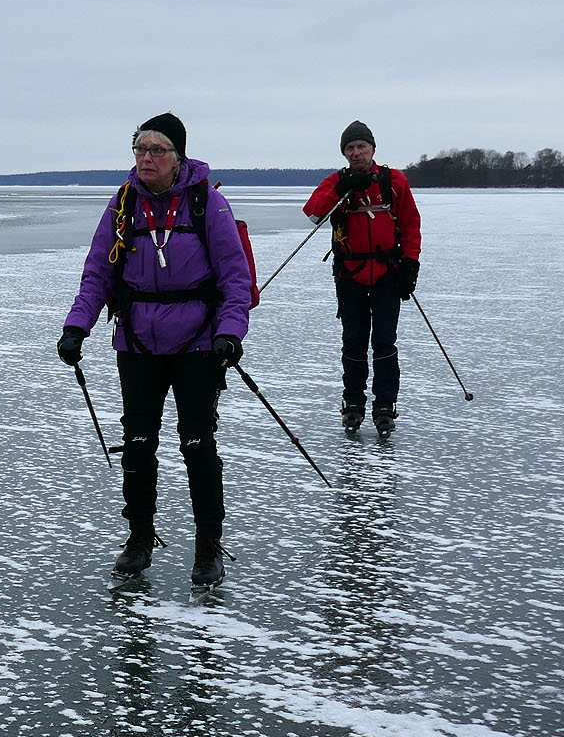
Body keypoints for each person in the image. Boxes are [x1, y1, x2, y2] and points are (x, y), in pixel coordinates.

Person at [57, 113, 252, 586]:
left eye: (156, 150)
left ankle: (208, 545)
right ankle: (139, 537)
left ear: (177, 157)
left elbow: (235, 278)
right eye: (140, 149)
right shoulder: (122, 205)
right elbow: (98, 273)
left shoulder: (209, 204)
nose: (146, 158)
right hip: (138, 342)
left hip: (199, 343)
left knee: (198, 443)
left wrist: (231, 332)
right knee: (139, 445)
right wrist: (76, 325)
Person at [300, 121, 421, 435]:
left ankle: (385, 405)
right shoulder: (337, 182)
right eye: (350, 148)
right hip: (350, 273)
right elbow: (313, 213)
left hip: (387, 273)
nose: (356, 153)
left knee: (384, 341)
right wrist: (343, 188)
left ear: (372, 149)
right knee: (353, 341)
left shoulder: (393, 181)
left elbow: (410, 224)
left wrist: (410, 264)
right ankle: (353, 403)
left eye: (361, 147)